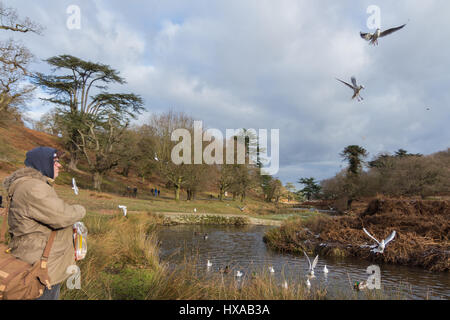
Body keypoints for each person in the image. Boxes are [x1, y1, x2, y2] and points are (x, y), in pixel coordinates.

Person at [2, 147, 86, 300]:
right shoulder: (33, 187)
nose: (59, 165)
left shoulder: (29, 184)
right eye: (55, 161)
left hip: (37, 262)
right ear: (42, 162)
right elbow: (62, 216)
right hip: (40, 269)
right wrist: (80, 210)